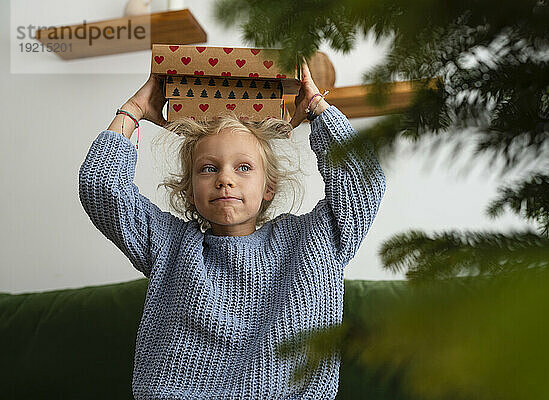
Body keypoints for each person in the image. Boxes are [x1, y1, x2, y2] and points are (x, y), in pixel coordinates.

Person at [78, 62, 386, 399]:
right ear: (190, 190)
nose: (225, 178)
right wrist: (134, 109)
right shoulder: (170, 244)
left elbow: (363, 180)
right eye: (208, 168)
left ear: (269, 186)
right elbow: (101, 186)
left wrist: (316, 107)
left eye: (243, 167)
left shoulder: (313, 240)